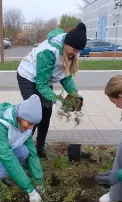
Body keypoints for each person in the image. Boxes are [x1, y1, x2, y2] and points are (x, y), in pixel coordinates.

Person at [16, 22, 87, 158]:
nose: (76, 53)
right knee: (34, 114)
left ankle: (39, 149)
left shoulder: (69, 52)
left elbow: (65, 77)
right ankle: (22, 149)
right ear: (67, 43)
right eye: (75, 50)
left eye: (79, 51)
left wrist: (75, 93)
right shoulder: (48, 52)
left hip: (43, 79)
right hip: (28, 77)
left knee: (46, 113)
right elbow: (41, 85)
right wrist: (58, 100)